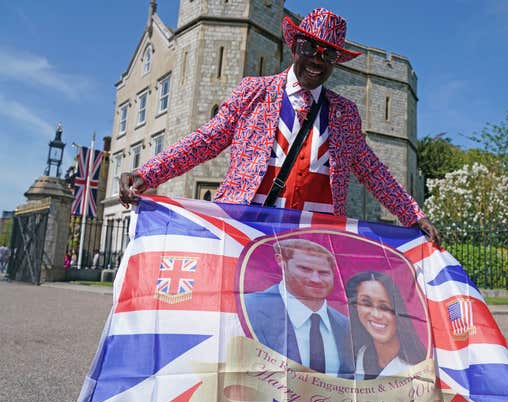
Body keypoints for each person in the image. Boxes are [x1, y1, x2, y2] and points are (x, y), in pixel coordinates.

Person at [118, 7, 440, 246]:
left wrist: (414, 214)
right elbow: (206, 140)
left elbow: (373, 171)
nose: (316, 59)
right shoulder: (253, 93)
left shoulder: (344, 114)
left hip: (314, 246)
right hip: (246, 237)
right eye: (309, 48)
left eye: (327, 54)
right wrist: (149, 173)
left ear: (335, 62)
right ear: (294, 47)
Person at [243, 239, 354, 377]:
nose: (315, 279)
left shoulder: (346, 326)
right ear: (282, 262)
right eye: (305, 269)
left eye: (323, 272)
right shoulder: (246, 309)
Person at [346, 270, 427, 380]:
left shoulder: (417, 366)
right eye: (366, 303)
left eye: (384, 307)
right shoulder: (362, 353)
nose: (376, 314)